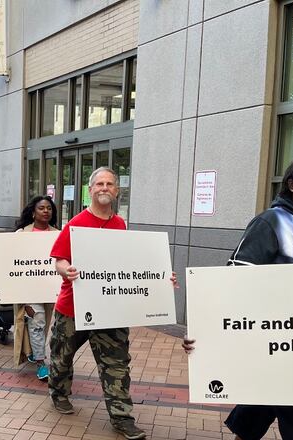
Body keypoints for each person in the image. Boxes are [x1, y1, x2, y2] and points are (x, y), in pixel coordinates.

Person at [183, 154, 293, 440]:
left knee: (266, 392)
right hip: (283, 337)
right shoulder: (271, 223)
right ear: (292, 184)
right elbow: (235, 280)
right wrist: (209, 332)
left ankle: (246, 427)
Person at [47, 166, 177, 440]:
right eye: (100, 184)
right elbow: (58, 258)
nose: (104, 188)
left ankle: (122, 418)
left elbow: (131, 266)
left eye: (110, 184)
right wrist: (66, 269)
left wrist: (160, 279)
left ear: (116, 191)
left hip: (110, 310)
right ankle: (58, 392)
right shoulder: (76, 224)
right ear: (90, 190)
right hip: (72, 308)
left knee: (117, 365)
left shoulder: (121, 225)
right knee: (61, 358)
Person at [14, 196, 58, 380]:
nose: (46, 211)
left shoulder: (58, 235)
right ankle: (41, 363)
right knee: (37, 320)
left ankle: (33, 350)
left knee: (42, 325)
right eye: (41, 208)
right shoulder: (21, 234)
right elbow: (8, 262)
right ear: (33, 212)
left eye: (49, 208)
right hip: (28, 291)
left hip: (50, 290)